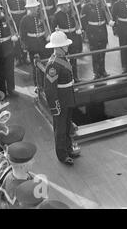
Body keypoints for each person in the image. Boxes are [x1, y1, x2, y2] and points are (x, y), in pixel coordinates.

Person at [44, 30, 81, 166]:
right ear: (58, 47)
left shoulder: (63, 58)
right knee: (60, 129)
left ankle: (69, 148)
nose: (67, 47)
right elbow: (50, 88)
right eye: (64, 45)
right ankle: (62, 155)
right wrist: (55, 106)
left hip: (68, 97)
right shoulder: (53, 64)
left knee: (67, 126)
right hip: (60, 101)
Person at [81, 0, 114, 79]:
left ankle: (103, 70)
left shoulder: (101, 5)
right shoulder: (86, 7)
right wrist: (87, 32)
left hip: (102, 31)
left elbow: (105, 16)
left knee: (103, 52)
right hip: (93, 33)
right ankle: (96, 72)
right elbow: (83, 21)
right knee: (95, 54)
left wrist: (109, 22)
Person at [19, 0, 51, 87]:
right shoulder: (24, 20)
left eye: (36, 7)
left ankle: (45, 83)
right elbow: (22, 35)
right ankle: (37, 85)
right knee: (36, 67)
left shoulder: (41, 17)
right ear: (28, 8)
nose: (35, 9)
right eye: (32, 7)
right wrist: (25, 47)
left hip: (43, 44)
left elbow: (46, 28)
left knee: (45, 64)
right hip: (32, 46)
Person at [52, 0, 83, 82]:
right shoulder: (57, 15)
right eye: (65, 4)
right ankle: (67, 78)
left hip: (73, 36)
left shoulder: (71, 12)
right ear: (61, 6)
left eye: (67, 4)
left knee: (73, 59)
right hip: (63, 38)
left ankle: (75, 77)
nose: (67, 6)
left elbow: (76, 23)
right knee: (65, 60)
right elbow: (53, 29)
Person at [0, 141, 36, 206]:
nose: (34, 161)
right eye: (31, 160)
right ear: (23, 166)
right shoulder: (24, 192)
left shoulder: (9, 176)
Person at [0, 0, 18, 97]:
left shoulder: (7, 19)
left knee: (9, 70)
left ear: (1, 9)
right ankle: (2, 91)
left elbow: (14, 31)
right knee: (0, 71)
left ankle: (11, 89)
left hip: (8, 48)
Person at [6, 0, 28, 66]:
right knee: (16, 40)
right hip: (14, 19)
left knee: (23, 38)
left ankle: (25, 57)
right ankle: (18, 58)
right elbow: (6, 10)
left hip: (22, 17)